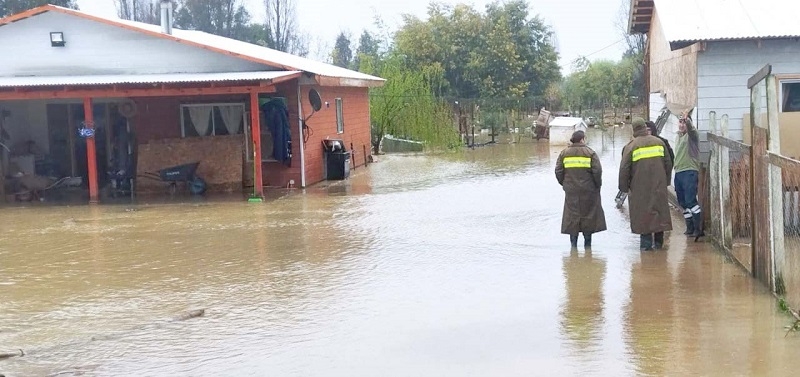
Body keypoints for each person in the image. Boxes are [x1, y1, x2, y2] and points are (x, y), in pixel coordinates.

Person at [619, 118, 673, 250]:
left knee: (644, 216)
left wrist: (624, 188)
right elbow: (668, 163)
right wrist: (665, 181)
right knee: (659, 214)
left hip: (639, 189)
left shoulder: (630, 146)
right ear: (644, 127)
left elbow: (624, 169)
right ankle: (659, 246)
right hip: (658, 186)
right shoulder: (659, 142)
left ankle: (646, 248)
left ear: (634, 130)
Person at [555, 130, 607, 248]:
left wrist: (565, 184)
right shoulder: (590, 153)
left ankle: (573, 247)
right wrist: (597, 185)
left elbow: (558, 171)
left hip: (571, 191)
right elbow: (597, 171)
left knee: (572, 216)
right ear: (582, 139)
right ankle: (587, 246)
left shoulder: (564, 153)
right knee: (588, 216)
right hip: (589, 191)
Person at [674, 115, 704, 239]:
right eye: (680, 122)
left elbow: (692, 129)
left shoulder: (692, 136)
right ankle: (690, 228)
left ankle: (699, 229)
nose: (681, 125)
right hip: (678, 172)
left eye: (684, 123)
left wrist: (688, 121)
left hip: (690, 171)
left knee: (691, 201)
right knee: (682, 202)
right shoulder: (678, 136)